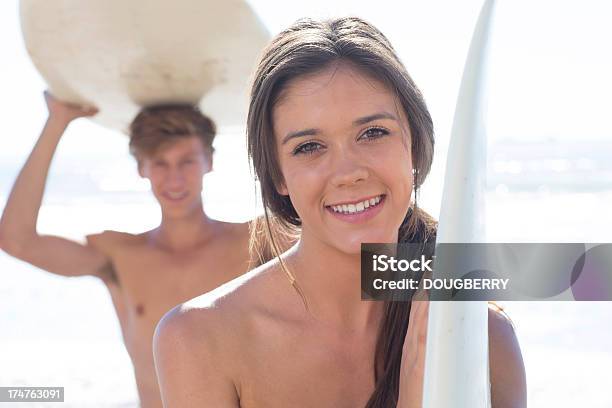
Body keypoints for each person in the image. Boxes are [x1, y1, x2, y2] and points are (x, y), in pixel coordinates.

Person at [153, 17, 526, 408]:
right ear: (277, 174)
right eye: (309, 146)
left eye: (373, 133)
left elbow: (586, 275)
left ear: (414, 145)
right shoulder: (201, 338)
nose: (348, 173)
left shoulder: (482, 338)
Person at [0, 92, 283, 408]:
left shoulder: (258, 239)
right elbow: (17, 240)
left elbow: (344, 249)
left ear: (209, 162)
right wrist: (57, 122)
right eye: (160, 163)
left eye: (186, 161)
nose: (174, 178)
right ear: (141, 168)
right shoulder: (120, 257)